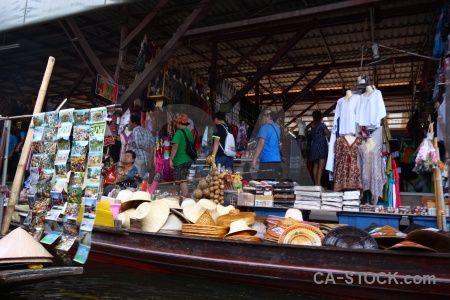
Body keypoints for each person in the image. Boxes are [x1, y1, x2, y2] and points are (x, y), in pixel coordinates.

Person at [251, 109, 283, 180]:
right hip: (276, 160)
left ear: (268, 117)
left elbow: (261, 143)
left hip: (267, 160)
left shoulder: (265, 128)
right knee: (271, 182)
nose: (262, 118)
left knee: (264, 184)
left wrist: (254, 159)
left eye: (263, 116)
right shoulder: (277, 128)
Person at [170, 113, 194, 197]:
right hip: (188, 160)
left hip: (180, 160)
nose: (176, 124)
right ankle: (176, 198)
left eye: (177, 123)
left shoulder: (179, 132)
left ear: (180, 123)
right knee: (178, 180)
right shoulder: (189, 133)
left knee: (182, 180)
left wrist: (171, 159)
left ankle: (185, 199)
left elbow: (175, 146)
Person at [309, 110, 331, 187]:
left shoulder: (312, 125)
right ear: (320, 117)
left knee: (315, 165)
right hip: (321, 146)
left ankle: (315, 183)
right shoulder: (322, 125)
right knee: (321, 166)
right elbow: (328, 134)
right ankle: (318, 184)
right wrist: (330, 141)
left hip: (314, 146)